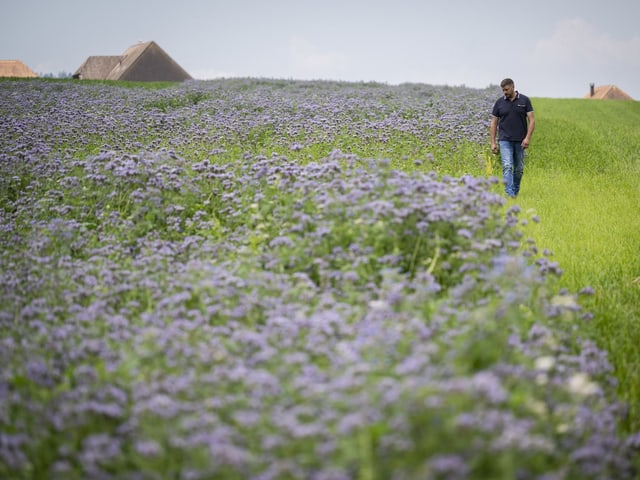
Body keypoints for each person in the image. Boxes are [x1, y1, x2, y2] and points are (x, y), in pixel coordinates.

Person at [490, 78, 535, 198]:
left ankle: (515, 190)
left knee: (519, 169)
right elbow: (494, 123)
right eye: (503, 90)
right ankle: (510, 194)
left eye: (506, 89)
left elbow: (532, 120)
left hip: (520, 141)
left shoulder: (525, 100)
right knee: (507, 165)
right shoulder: (499, 103)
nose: (504, 92)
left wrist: (527, 138)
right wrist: (493, 142)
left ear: (513, 86)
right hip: (504, 140)